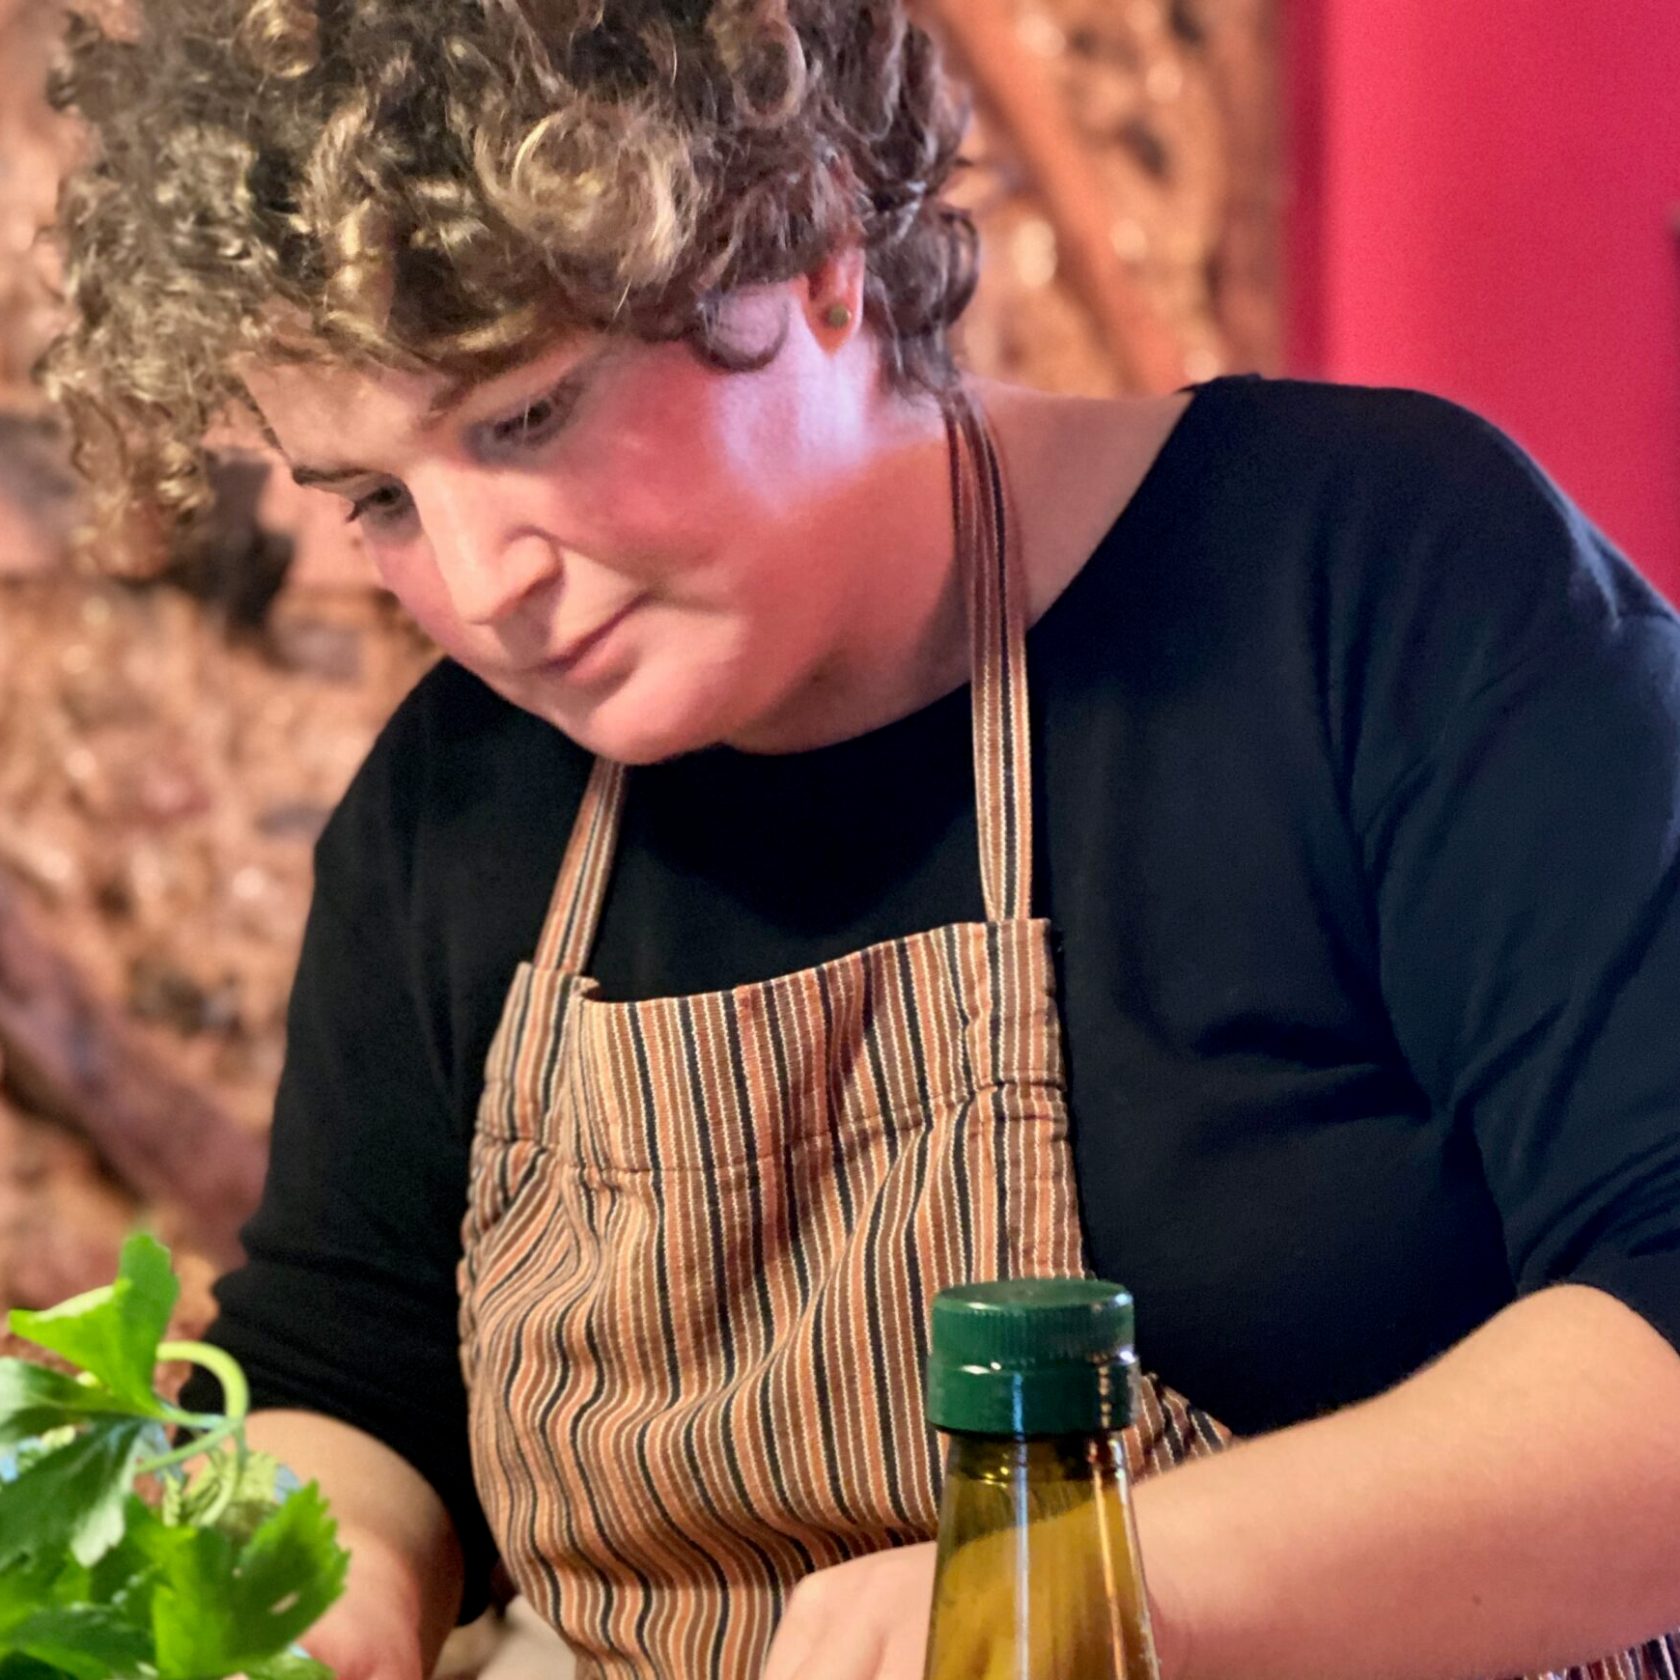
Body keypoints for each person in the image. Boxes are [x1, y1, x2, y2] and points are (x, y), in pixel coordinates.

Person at [38, 2, 1680, 1678]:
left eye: (523, 418)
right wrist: (280, 1622)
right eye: (375, 497)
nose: (476, 586)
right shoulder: (454, 802)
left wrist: (1077, 1593)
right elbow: (354, 1386)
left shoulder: (1374, 582)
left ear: (813, 241)